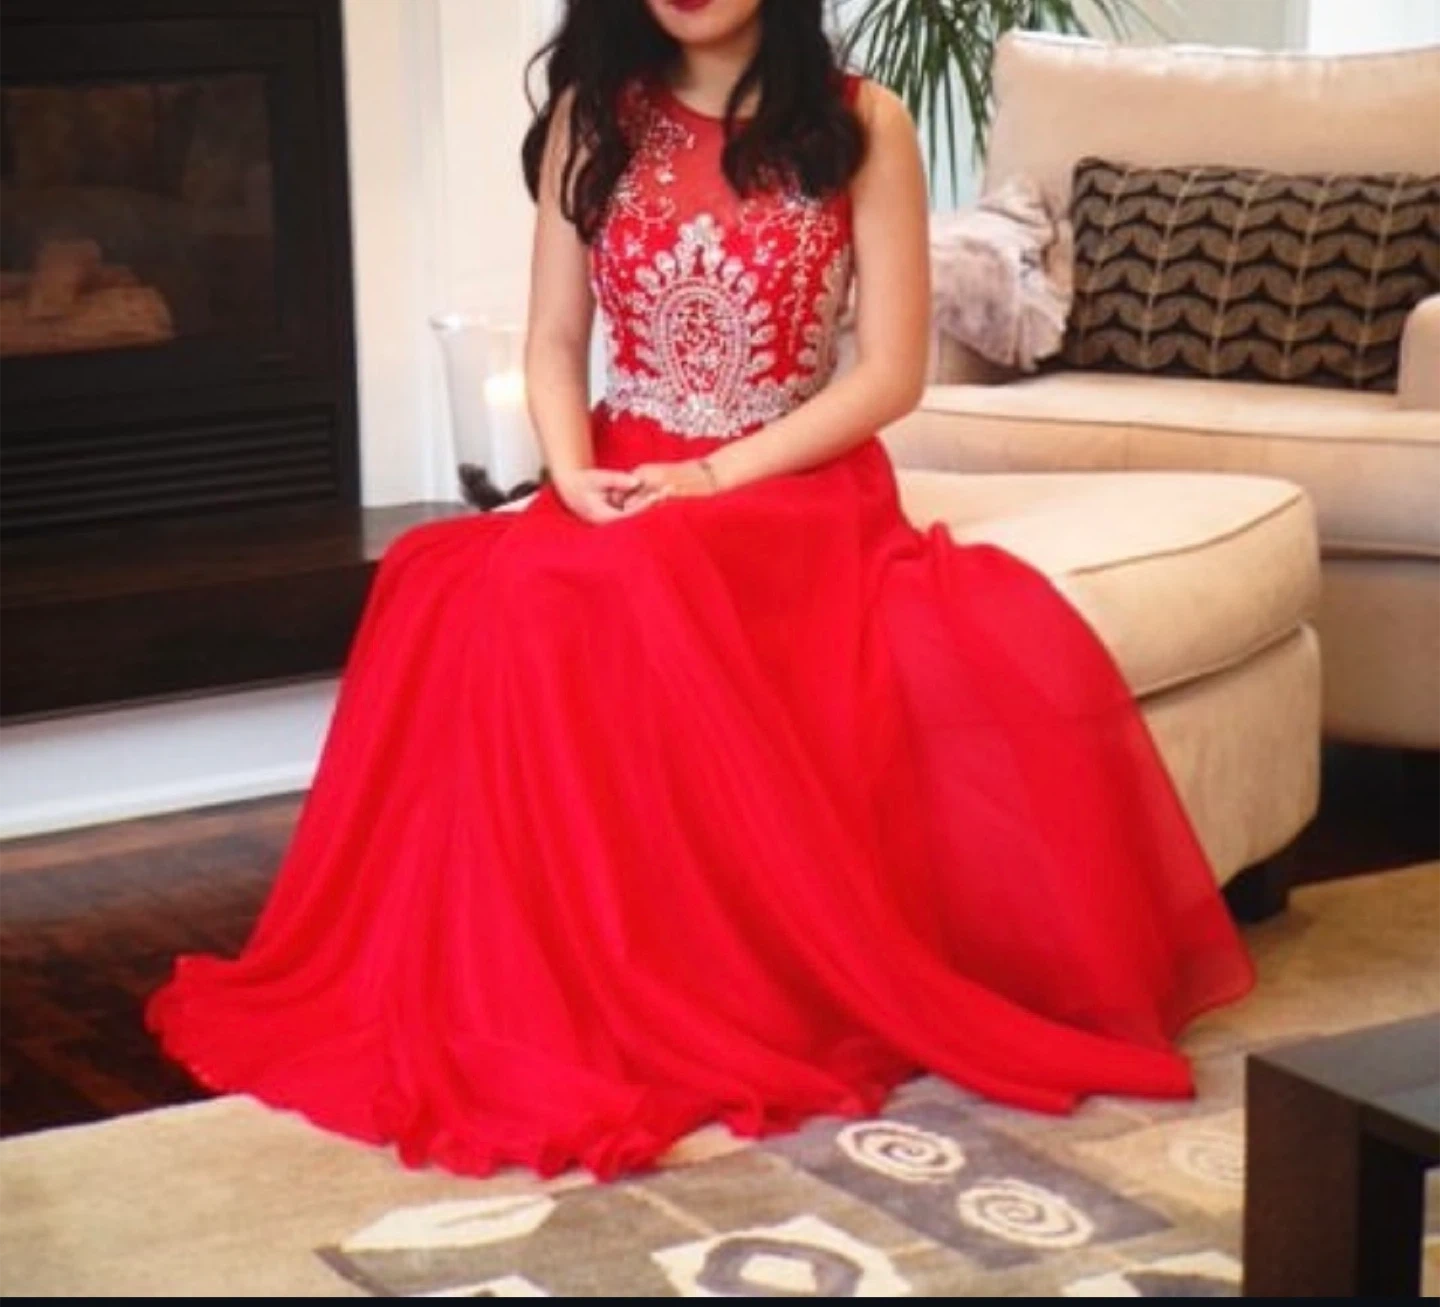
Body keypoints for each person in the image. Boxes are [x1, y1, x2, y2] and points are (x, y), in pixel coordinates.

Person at [147, 0, 1255, 1182]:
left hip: (792, 487)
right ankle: (537, 993)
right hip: (624, 471)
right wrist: (570, 474)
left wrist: (719, 474)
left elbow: (889, 374)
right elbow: (555, 340)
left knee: (640, 582)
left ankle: (676, 989)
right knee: (453, 584)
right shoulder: (594, 119)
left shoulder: (864, 125)